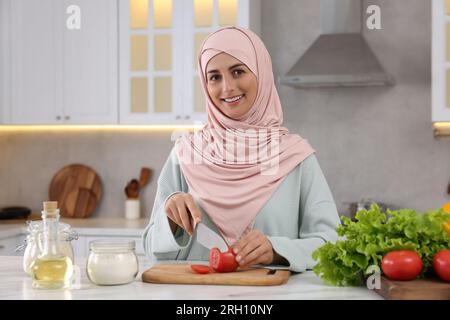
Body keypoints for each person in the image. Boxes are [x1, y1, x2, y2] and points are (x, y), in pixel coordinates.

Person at [142, 26, 340, 272]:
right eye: (214, 77)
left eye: (238, 71)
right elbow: (150, 246)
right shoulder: (185, 153)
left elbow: (332, 244)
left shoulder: (296, 157)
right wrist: (170, 222)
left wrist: (278, 250)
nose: (227, 88)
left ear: (261, 73)